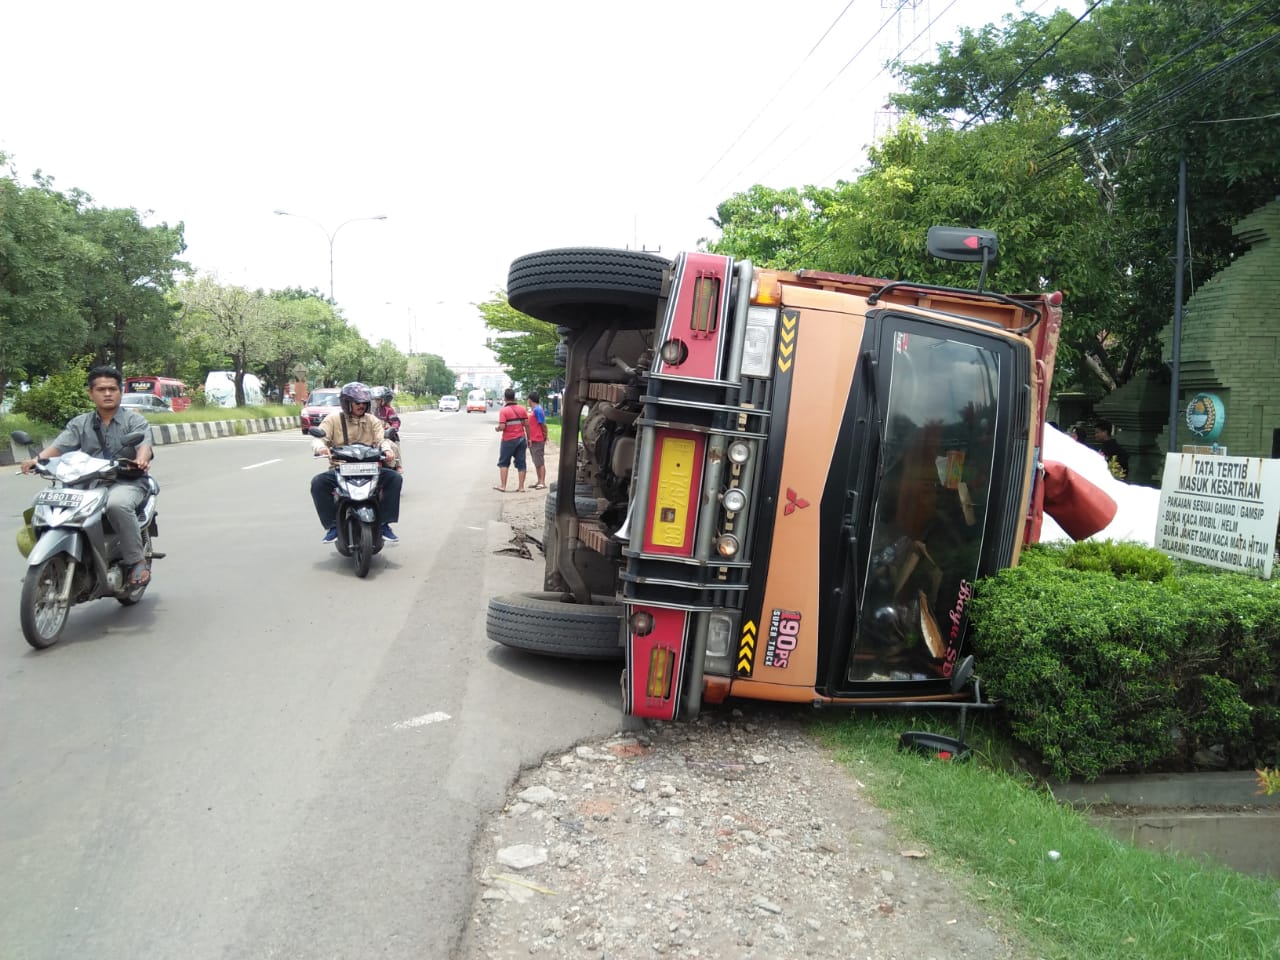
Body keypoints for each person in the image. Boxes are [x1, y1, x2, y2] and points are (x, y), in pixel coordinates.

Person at [20, 365, 156, 585]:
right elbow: (59, 447)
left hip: (126, 481)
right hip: (86, 483)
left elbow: (144, 445)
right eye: (101, 389)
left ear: (120, 392)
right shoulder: (80, 423)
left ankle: (136, 560)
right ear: (91, 393)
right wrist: (37, 461)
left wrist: (141, 457)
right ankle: (49, 558)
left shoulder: (135, 421)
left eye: (112, 389)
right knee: (40, 501)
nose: (107, 393)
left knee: (117, 505)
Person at [311, 382, 403, 542]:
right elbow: (319, 438)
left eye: (364, 402)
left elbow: (382, 440)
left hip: (370, 469)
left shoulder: (372, 420)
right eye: (357, 402)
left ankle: (384, 524)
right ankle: (332, 526)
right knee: (318, 483)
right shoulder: (333, 419)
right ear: (347, 403)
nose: (362, 406)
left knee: (395, 478)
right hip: (341, 468)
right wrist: (321, 448)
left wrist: (387, 450)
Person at [494, 387, 530, 492]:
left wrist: (497, 429)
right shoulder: (522, 409)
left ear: (505, 398)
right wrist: (529, 438)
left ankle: (503, 486)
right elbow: (526, 425)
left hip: (508, 440)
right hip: (521, 439)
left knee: (504, 463)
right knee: (521, 463)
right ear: (514, 397)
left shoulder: (504, 411)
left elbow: (502, 426)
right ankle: (521, 487)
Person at [371, 386, 403, 472]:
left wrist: (392, 429)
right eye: (374, 399)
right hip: (374, 436)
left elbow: (396, 422)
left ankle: (398, 465)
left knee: (395, 447)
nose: (375, 401)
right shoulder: (371, 411)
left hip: (388, 436)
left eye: (378, 399)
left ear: (384, 400)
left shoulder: (389, 410)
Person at [526, 390, 548, 490]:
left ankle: (542, 481)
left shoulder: (538, 410)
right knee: (536, 461)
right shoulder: (534, 410)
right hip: (533, 439)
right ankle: (539, 480)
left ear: (530, 400)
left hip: (538, 438)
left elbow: (543, 424)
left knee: (540, 461)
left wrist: (545, 435)